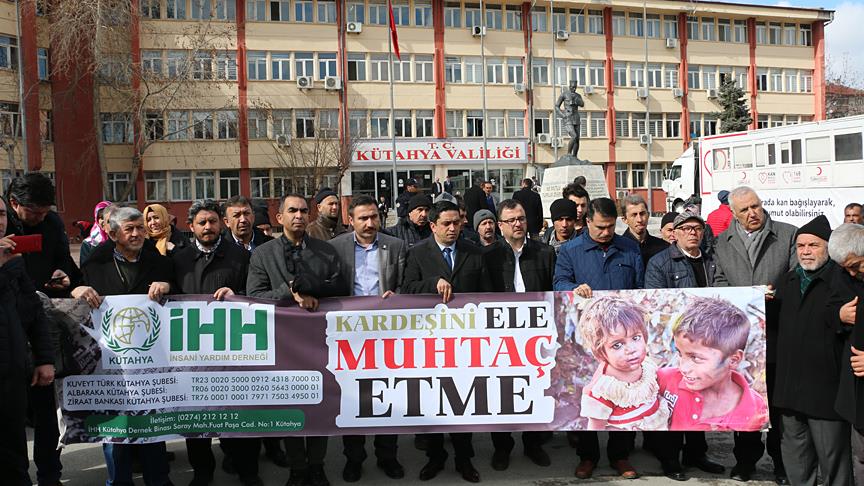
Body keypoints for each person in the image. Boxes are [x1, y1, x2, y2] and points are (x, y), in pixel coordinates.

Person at [246, 193, 347, 486]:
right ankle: (297, 469)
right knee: (291, 408)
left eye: (303, 210)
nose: (299, 216)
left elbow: (340, 288)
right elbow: (255, 296)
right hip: (283, 343)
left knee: (320, 406)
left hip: (319, 342)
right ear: (280, 217)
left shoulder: (325, 251)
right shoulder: (263, 254)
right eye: (292, 211)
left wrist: (315, 292)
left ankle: (317, 466)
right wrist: (290, 293)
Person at [70, 206, 174, 486]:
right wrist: (76, 290)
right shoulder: (95, 264)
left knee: (153, 428)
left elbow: (179, 293)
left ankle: (158, 481)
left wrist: (167, 286)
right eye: (130, 229)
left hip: (152, 364)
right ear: (114, 234)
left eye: (140, 228)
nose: (137, 233)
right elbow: (76, 297)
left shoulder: (159, 262)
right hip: (112, 365)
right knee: (115, 432)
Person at [172, 200, 263, 486]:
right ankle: (202, 473)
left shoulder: (241, 256)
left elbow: (255, 293)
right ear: (191, 226)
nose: (208, 227)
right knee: (196, 421)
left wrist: (237, 294)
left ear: (221, 223)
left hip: (234, 351)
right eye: (202, 222)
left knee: (239, 418)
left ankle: (248, 472)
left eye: (212, 221)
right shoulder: (179, 260)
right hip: (193, 354)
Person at [553, 197, 644, 480]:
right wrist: (573, 288)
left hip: (622, 335)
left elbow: (641, 288)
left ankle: (620, 455)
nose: (606, 233)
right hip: (587, 335)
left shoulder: (629, 248)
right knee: (588, 395)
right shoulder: (570, 250)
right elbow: (558, 282)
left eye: (610, 227)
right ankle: (588, 456)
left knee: (624, 394)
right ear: (587, 222)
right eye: (600, 227)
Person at [713, 186, 797, 484]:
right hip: (742, 338)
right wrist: (740, 299)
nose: (752, 213)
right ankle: (745, 462)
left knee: (778, 405)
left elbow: (797, 277)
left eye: (755, 206)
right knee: (744, 403)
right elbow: (718, 282)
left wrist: (777, 294)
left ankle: (782, 464)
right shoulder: (722, 242)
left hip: (776, 334)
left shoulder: (787, 234)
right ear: (733, 214)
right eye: (744, 210)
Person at [402, 200, 490, 483]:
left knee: (463, 402)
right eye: (446, 224)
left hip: (466, 342)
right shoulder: (418, 253)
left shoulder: (474, 252)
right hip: (430, 343)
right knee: (433, 401)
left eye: (457, 223)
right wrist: (433, 284)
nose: (453, 228)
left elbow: (488, 295)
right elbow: (407, 289)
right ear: (433, 226)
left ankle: (464, 459)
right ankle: (435, 457)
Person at [4, 173, 81, 486]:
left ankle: (50, 475)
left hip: (42, 322)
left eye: (46, 211)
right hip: (9, 329)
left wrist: (65, 276)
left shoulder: (51, 223)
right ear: (14, 204)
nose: (40, 218)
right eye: (34, 212)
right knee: (11, 418)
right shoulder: (4, 226)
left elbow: (65, 262)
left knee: (47, 410)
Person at [329, 195, 407, 483]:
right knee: (354, 399)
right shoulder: (335, 247)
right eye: (363, 218)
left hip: (388, 335)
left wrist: (398, 295)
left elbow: (405, 282)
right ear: (350, 220)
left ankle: (388, 456)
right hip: (350, 336)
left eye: (374, 216)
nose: (370, 223)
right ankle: (354, 458)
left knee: (389, 395)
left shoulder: (395, 245)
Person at [644, 212, 725, 481]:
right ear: (675, 233)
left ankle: (696, 453)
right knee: (673, 400)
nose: (692, 233)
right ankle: (670, 458)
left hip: (706, 342)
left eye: (697, 228)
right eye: (686, 228)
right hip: (673, 343)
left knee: (698, 398)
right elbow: (655, 302)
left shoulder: (712, 261)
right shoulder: (660, 263)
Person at [773, 215, 853, 486]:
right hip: (789, 389)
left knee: (834, 461)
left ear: (828, 248)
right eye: (801, 246)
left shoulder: (842, 280)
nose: (806, 251)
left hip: (825, 390)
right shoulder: (788, 281)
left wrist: (839, 317)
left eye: (813, 245)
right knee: (796, 458)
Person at [484, 199, 555, 470]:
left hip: (535, 336)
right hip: (500, 338)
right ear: (500, 225)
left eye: (522, 218)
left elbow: (553, 291)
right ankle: (502, 447)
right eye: (511, 220)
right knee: (500, 394)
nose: (518, 224)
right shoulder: (488, 256)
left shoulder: (544, 253)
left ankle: (533, 444)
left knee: (535, 390)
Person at [0, 196, 56, 486]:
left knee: (13, 457)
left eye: (0, 214)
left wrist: (44, 359)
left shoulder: (13, 260)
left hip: (12, 373)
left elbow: (33, 312)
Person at [657, 297, 769, 431]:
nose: (683, 368)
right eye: (680, 353)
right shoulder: (664, 380)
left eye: (695, 358)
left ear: (733, 360)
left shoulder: (755, 411)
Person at [577, 297, 669, 430]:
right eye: (617, 345)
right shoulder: (603, 390)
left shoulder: (647, 366)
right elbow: (596, 427)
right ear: (601, 353)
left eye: (636, 338)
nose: (631, 349)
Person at [827, 223, 864, 482]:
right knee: (861, 456)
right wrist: (839, 315)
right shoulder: (844, 274)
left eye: (856, 265)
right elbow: (828, 309)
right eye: (846, 268)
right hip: (858, 392)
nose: (852, 273)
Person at [619, 194, 668, 268]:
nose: (639, 220)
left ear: (648, 215)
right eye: (634, 215)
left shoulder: (663, 248)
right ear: (625, 220)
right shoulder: (617, 249)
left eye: (642, 214)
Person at [80, 201, 113, 266]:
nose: (103, 221)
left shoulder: (122, 239)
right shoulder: (88, 243)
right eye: (101, 217)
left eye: (108, 217)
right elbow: (85, 268)